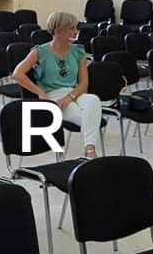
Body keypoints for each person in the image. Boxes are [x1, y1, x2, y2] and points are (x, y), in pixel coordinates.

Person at [13, 11, 102, 158]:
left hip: (75, 93)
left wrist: (69, 97)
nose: (76, 31)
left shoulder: (78, 51)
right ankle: (91, 152)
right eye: (71, 28)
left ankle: (89, 149)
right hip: (53, 96)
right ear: (58, 30)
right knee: (89, 117)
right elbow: (18, 74)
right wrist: (40, 93)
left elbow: (84, 84)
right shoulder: (40, 52)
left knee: (93, 100)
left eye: (76, 27)